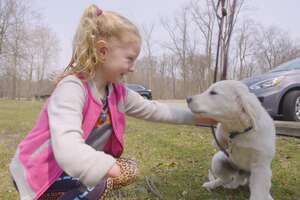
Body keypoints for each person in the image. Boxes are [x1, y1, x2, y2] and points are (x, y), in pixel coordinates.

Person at [10, 5, 216, 200]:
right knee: (97, 182)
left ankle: (78, 189)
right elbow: (66, 146)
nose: (133, 67)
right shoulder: (72, 88)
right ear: (102, 52)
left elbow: (155, 110)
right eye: (130, 58)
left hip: (73, 166)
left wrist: (200, 118)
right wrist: (99, 165)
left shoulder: (117, 92)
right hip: (40, 170)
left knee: (129, 169)